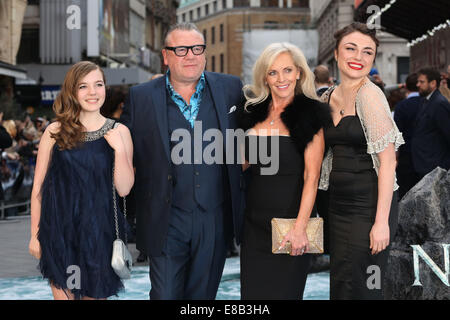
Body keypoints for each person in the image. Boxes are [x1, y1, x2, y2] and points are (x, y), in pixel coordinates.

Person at [120, 22, 244, 300]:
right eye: (181, 49)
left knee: (202, 299)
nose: (190, 55)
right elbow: (123, 154)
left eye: (197, 48)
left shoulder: (231, 88)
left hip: (214, 219)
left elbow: (257, 132)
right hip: (165, 219)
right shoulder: (140, 98)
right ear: (166, 56)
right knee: (165, 295)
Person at [28, 61, 134, 300]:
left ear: (105, 88)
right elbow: (38, 189)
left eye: (98, 84)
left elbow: (125, 188)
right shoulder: (54, 131)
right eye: (83, 86)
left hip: (100, 235)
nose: (92, 92)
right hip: (58, 231)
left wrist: (119, 151)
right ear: (72, 92)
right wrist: (34, 234)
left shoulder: (120, 132)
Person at [237, 42, 330, 299]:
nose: (281, 79)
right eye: (273, 72)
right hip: (254, 227)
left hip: (290, 226)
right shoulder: (252, 113)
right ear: (264, 77)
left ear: (299, 73)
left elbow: (312, 178)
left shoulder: (311, 114)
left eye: (288, 70)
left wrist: (300, 228)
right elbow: (242, 165)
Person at [319, 22, 404, 300]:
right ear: (336, 53)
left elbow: (389, 162)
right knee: (342, 279)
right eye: (351, 49)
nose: (359, 57)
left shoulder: (370, 96)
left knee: (366, 283)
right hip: (339, 205)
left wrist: (382, 223)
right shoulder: (329, 96)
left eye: (367, 52)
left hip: (369, 207)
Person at [410, 68, 450, 181]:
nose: (418, 84)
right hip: (425, 164)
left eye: (422, 82)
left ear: (433, 83)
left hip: (435, 166)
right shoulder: (426, 100)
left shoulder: (439, 104)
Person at [393, 73, 422, 199]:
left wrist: (395, 158)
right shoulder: (429, 104)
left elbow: (397, 134)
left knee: (405, 196)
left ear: (406, 87)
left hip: (406, 156)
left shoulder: (401, 107)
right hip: (426, 157)